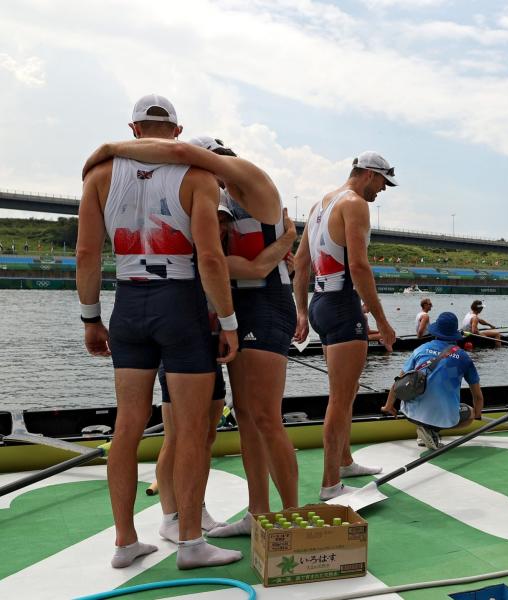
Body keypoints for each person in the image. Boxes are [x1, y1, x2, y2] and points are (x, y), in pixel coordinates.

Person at [85, 134, 301, 537]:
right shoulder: (215, 196)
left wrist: (108, 150)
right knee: (246, 421)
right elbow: (215, 263)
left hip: (265, 306)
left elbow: (238, 266)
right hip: (228, 310)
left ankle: (290, 516)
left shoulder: (250, 179)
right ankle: (257, 513)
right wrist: (283, 246)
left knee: (265, 417)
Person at [77, 94, 240, 569]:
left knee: (127, 428)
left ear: (133, 129)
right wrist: (227, 323)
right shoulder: (199, 176)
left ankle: (125, 542)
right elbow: (210, 258)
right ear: (177, 133)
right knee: (190, 430)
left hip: (128, 302)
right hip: (181, 305)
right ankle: (191, 542)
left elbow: (87, 255)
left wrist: (91, 317)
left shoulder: (99, 176)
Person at [293, 151, 398, 500]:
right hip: (342, 305)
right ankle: (330, 485)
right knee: (339, 399)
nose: (383, 190)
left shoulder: (320, 205)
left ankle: (345, 460)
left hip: (322, 302)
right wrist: (382, 322)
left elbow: (301, 262)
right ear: (368, 174)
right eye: (383, 182)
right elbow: (359, 265)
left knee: (347, 391)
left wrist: (303, 313)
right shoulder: (355, 204)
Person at [381, 312, 483, 449]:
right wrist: (477, 415)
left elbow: (398, 382)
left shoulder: (420, 349)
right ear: (454, 334)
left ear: (436, 331)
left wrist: (388, 406)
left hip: (409, 412)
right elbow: (477, 396)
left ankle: (424, 431)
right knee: (469, 412)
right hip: (442, 416)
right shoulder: (464, 358)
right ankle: (432, 431)